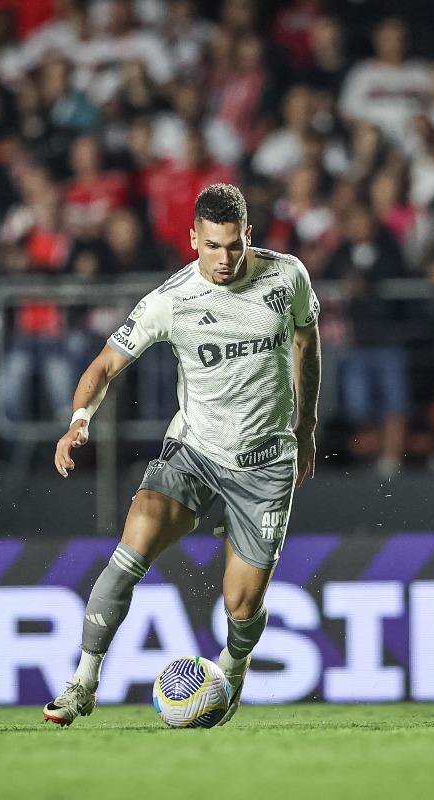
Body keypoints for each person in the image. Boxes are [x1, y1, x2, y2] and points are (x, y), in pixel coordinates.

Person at [45, 183, 321, 726]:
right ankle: (83, 680)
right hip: (194, 451)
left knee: (241, 606)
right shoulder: (172, 300)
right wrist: (78, 422)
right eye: (213, 246)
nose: (224, 259)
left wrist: (307, 426)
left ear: (248, 236)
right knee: (132, 545)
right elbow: (103, 367)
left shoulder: (288, 276)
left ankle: (233, 667)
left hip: (266, 464)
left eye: (234, 246)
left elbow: (307, 345)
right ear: (192, 239)